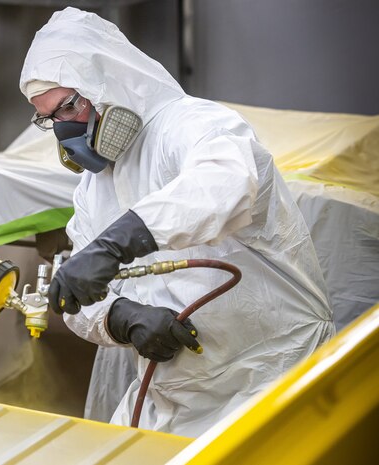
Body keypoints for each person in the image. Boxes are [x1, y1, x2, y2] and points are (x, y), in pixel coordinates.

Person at [19, 7, 334, 437]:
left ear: (110, 84)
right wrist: (122, 318)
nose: (63, 131)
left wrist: (117, 243)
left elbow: (224, 185)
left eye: (69, 107)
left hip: (273, 374)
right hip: (177, 397)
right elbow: (78, 291)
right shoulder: (94, 189)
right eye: (49, 119)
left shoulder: (193, 124)